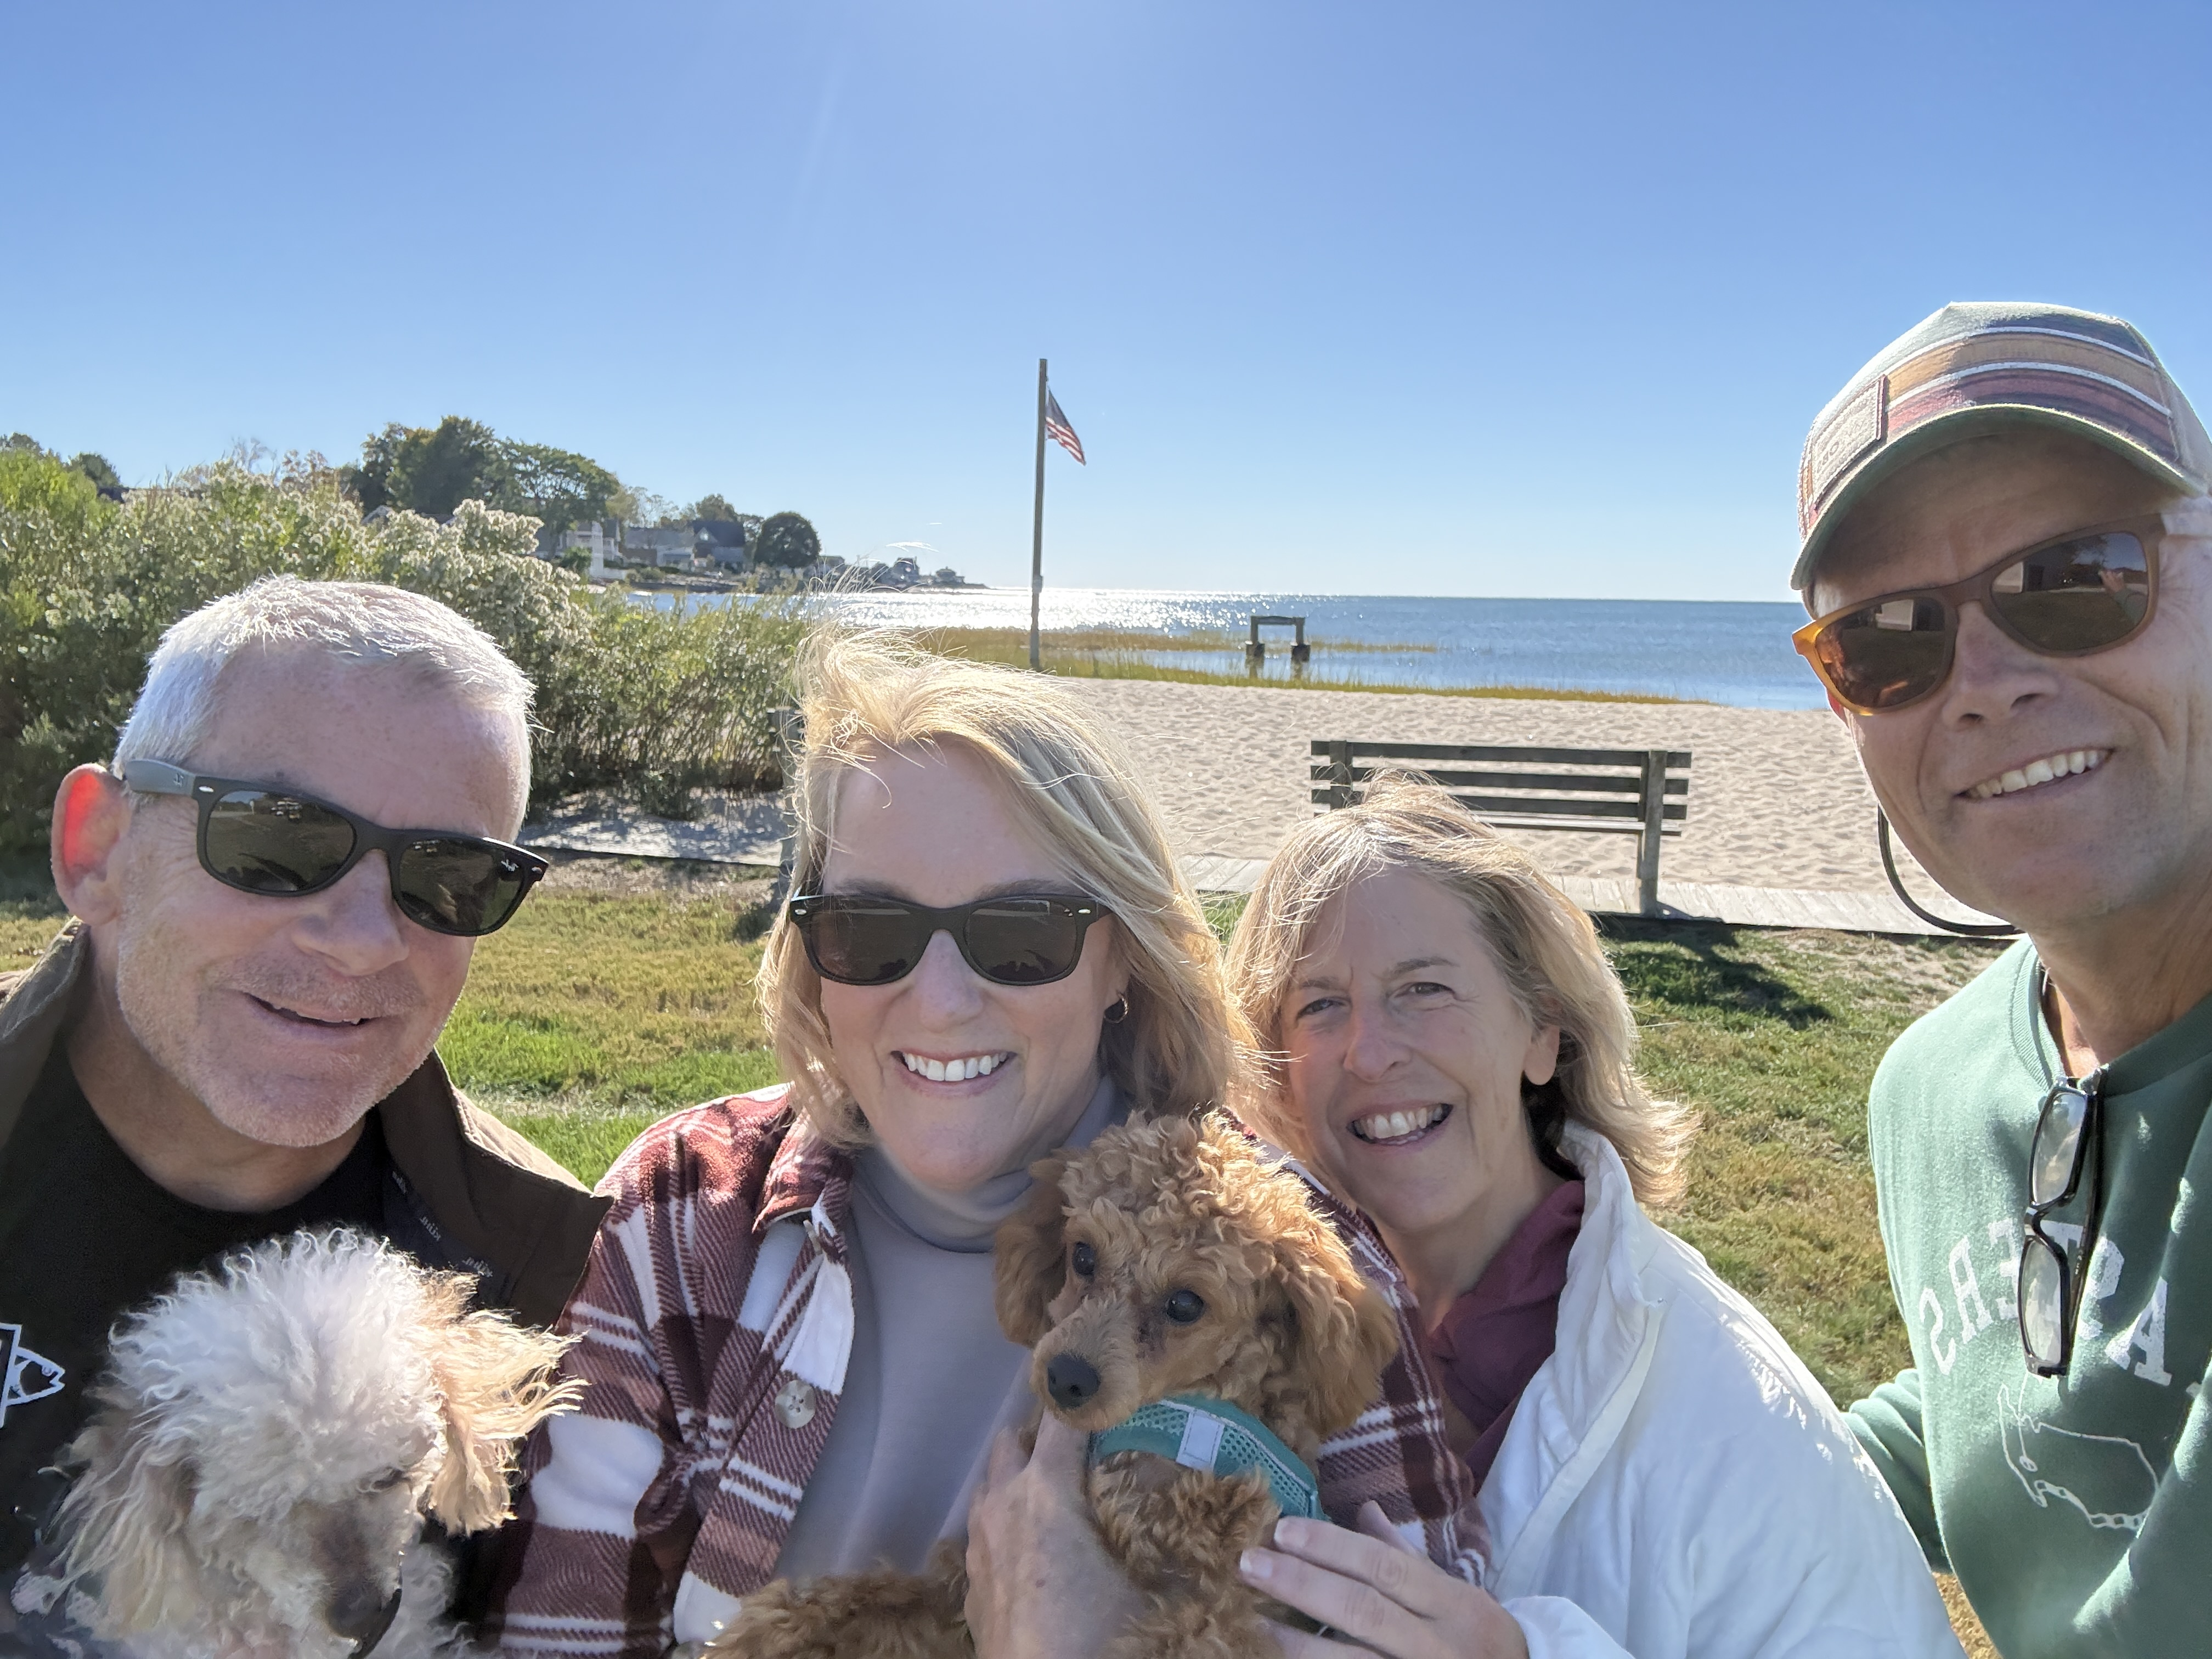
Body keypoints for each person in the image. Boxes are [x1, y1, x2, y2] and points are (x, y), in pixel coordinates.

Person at [484, 635, 1489, 1657]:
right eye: (869, 931)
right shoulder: (677, 1220)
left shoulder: (1297, 1262)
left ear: (1123, 963)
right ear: (812, 961)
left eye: (1021, 933)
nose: (943, 1000)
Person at [1220, 778, 1965, 1657]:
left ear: (1543, 1033)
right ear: (1276, 1071)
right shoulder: (1278, 1331)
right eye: (1320, 1005)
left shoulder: (1725, 1409)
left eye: (1423, 989)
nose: (1372, 1051)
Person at [0, 577, 607, 1626]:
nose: (366, 938)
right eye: (277, 838)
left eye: (452, 876)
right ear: (96, 845)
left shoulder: (549, 1263)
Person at [1790, 303, 2212, 1656]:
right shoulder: (1932, 1090)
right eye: (1888, 641)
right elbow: (1996, 1393)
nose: (1983, 682)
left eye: (2078, 577)